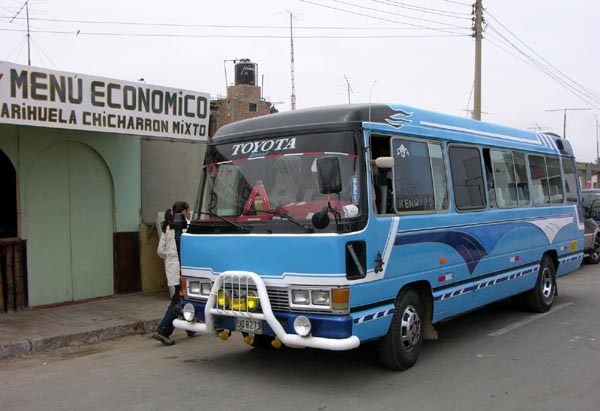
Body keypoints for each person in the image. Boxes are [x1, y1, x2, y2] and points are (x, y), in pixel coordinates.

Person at [153, 201, 190, 346]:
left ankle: (190, 326)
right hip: (183, 268)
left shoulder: (167, 228)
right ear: (184, 212)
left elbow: (160, 251)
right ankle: (163, 330)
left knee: (184, 297)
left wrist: (170, 257)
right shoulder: (186, 226)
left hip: (172, 268)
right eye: (188, 211)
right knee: (178, 299)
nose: (189, 214)